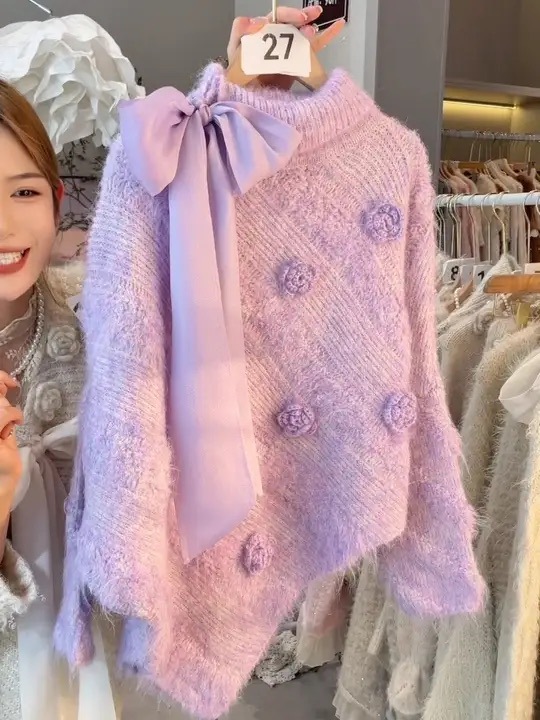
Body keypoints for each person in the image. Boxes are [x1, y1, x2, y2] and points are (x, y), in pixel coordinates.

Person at [0, 7, 344, 718]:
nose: (4, 225)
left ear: (58, 202)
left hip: (118, 673)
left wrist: (244, 96)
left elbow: (204, 246)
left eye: (23, 191)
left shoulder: (106, 316)